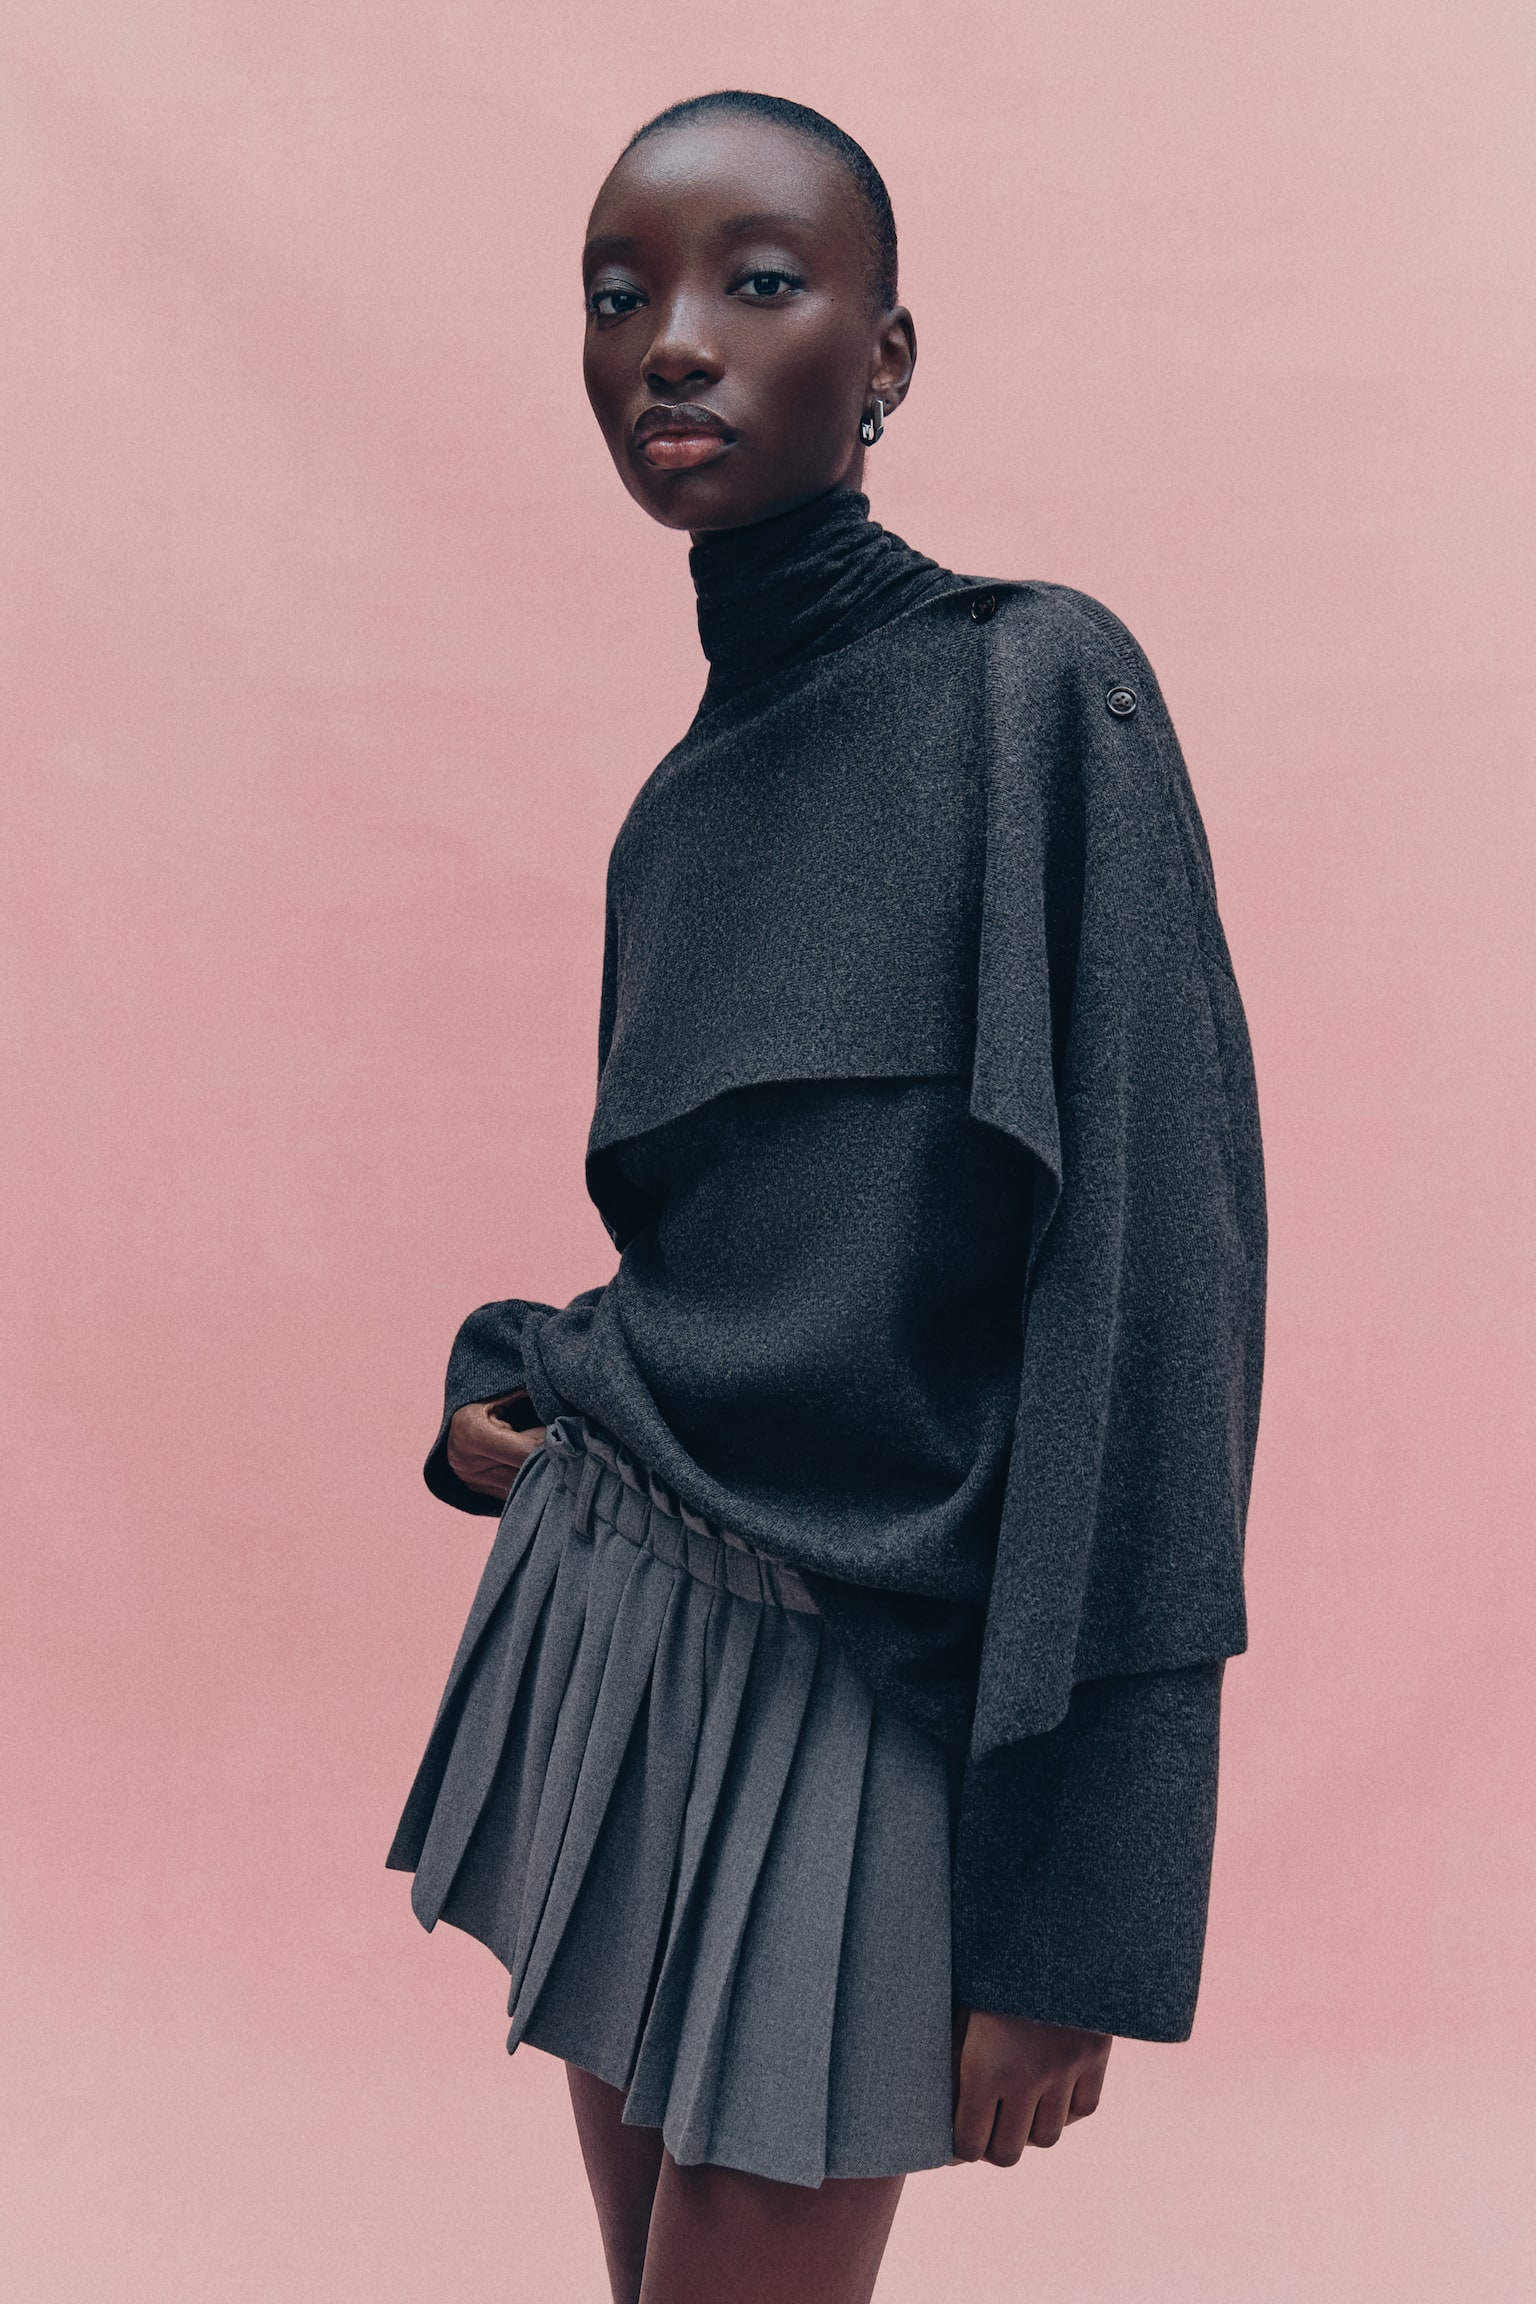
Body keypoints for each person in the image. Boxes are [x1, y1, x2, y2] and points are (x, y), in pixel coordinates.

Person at [387, 89, 1265, 2304]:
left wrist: (1081, 1909)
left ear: (885, 357)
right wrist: (531, 1383)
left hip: (872, 1699)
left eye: (757, 283)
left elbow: (1158, 1302)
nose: (674, 342)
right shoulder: (677, 814)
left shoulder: (1036, 692)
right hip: (619, 1615)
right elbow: (727, 1269)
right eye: (620, 298)